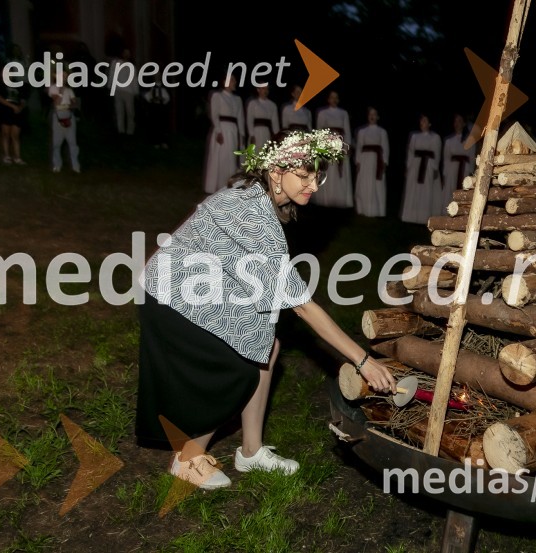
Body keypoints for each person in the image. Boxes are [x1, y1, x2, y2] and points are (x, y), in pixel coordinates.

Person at [135, 128, 397, 489]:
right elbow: (302, 307)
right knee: (239, 364)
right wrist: (362, 359)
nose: (314, 185)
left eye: (318, 175)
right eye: (304, 176)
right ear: (276, 172)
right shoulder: (252, 213)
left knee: (266, 344)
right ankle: (188, 457)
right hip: (171, 296)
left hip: (202, 285)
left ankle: (251, 451)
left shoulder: (260, 197)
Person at [203, 75, 245, 194]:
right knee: (221, 157)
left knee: (231, 158)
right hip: (222, 129)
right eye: (232, 80)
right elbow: (214, 114)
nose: (234, 82)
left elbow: (240, 118)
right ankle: (217, 184)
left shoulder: (237, 100)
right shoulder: (218, 96)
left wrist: (241, 134)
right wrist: (218, 131)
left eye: (234, 79)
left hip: (233, 130)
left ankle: (230, 183)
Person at [312, 90, 353, 208]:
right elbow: (319, 131)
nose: (334, 100)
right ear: (328, 99)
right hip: (327, 145)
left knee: (339, 171)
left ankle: (340, 199)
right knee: (328, 170)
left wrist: (347, 145)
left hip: (340, 143)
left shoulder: (343, 113)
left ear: (338, 100)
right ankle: (326, 198)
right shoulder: (322, 113)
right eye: (332, 97)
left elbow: (347, 130)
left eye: (336, 97)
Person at [400, 114, 442, 224]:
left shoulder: (435, 137)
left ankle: (424, 217)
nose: (422, 123)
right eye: (421, 121)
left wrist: (434, 168)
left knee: (426, 191)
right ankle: (411, 216)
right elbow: (410, 152)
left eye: (424, 121)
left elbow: (437, 154)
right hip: (415, 166)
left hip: (428, 167)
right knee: (413, 191)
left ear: (429, 123)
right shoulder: (414, 137)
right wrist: (408, 167)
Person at [353, 106, 389, 217]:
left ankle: (376, 210)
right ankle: (363, 209)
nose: (372, 116)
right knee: (363, 184)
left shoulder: (382, 132)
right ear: (368, 116)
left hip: (377, 161)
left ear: (377, 117)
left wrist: (385, 161)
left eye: (374, 114)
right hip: (365, 160)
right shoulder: (362, 131)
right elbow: (359, 147)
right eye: (370, 114)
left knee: (376, 184)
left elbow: (385, 147)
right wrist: (358, 161)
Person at [0, 64, 28, 165]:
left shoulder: (19, 85)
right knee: (5, 134)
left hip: (17, 113)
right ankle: (6, 156)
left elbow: (23, 99)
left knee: (15, 135)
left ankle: (17, 157)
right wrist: (12, 106)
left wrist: (20, 107)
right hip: (5, 111)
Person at [440, 113, 475, 214]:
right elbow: (446, 159)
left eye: (459, 121)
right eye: (455, 121)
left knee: (463, 191)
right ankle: (447, 214)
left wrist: (470, 174)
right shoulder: (449, 141)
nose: (457, 124)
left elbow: (472, 158)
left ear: (464, 123)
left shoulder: (470, 140)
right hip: (452, 170)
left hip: (464, 170)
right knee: (450, 191)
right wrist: (445, 175)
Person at [48, 69, 81, 173]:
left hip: (69, 115)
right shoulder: (53, 88)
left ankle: (75, 166)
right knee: (57, 143)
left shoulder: (69, 90)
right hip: (58, 116)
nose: (64, 78)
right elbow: (56, 103)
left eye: (66, 76)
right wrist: (61, 92)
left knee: (72, 142)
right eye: (62, 76)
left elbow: (75, 104)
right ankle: (57, 165)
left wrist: (68, 105)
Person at [109, 48, 139, 135]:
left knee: (130, 112)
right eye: (125, 53)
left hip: (128, 91)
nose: (126, 55)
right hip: (119, 89)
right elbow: (112, 75)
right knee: (119, 111)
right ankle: (121, 130)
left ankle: (129, 130)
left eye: (128, 53)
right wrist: (111, 87)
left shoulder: (131, 66)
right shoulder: (116, 63)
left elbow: (134, 80)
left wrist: (135, 92)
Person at [142, 73, 172, 149]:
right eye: (156, 76)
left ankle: (163, 141)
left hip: (161, 107)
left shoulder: (164, 87)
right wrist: (151, 99)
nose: (157, 78)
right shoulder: (151, 86)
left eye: (158, 76)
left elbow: (167, 97)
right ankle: (155, 141)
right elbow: (147, 96)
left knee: (162, 125)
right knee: (154, 125)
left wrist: (163, 100)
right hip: (154, 107)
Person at [246, 84, 279, 151]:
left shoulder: (272, 105)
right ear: (258, 90)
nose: (266, 91)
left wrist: (277, 137)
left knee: (265, 152)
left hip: (266, 133)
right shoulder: (253, 103)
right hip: (256, 132)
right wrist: (251, 134)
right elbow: (249, 120)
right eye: (263, 88)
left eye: (267, 89)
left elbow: (275, 123)